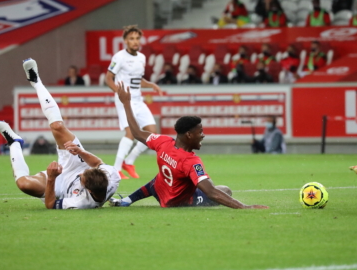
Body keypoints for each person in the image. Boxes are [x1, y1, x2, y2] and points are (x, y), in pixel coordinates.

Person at [109, 82, 268, 210]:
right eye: (200, 132)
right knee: (225, 190)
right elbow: (211, 192)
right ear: (189, 135)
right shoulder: (192, 162)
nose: (203, 135)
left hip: (159, 192)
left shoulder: (163, 142)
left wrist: (126, 103)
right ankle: (131, 199)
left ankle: (128, 200)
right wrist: (244, 207)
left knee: (159, 179)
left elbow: (136, 133)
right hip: (178, 202)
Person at [0, 58, 120, 209]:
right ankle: (36, 80)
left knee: (24, 184)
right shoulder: (112, 177)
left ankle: (14, 143)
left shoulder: (81, 202)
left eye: (81, 178)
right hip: (77, 163)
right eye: (85, 173)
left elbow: (50, 204)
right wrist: (81, 151)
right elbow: (99, 163)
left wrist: (52, 178)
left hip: (60, 185)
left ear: (88, 189)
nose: (80, 175)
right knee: (57, 126)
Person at [105, 25, 163, 180]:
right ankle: (116, 169)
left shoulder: (142, 57)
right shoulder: (119, 57)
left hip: (138, 99)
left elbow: (137, 80)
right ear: (125, 41)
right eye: (131, 38)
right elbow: (108, 78)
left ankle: (129, 162)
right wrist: (120, 92)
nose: (135, 41)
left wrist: (151, 85)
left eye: (137, 38)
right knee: (130, 133)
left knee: (152, 134)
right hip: (124, 100)